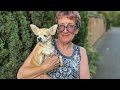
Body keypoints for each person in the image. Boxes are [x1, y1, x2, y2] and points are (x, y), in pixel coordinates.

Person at [17, 11, 90, 79]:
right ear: (56, 29)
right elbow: (21, 75)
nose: (65, 30)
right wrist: (45, 67)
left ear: (76, 30)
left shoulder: (80, 51)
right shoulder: (44, 44)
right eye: (61, 26)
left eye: (70, 26)